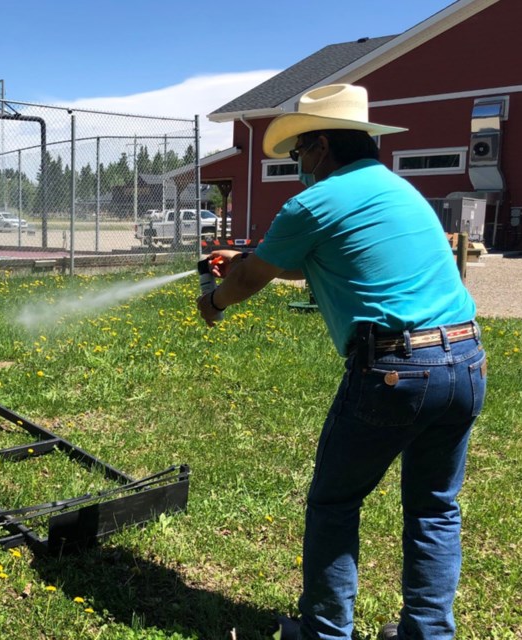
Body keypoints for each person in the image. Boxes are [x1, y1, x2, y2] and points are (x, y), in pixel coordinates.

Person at [196, 84, 486, 640]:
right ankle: (427, 634)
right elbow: (331, 260)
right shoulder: (400, 191)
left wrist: (214, 300)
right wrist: (246, 259)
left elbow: (252, 280)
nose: (298, 165)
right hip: (467, 360)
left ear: (322, 145)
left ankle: (324, 632)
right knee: (435, 510)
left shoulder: (314, 201)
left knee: (334, 502)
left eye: (300, 152)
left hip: (397, 370)